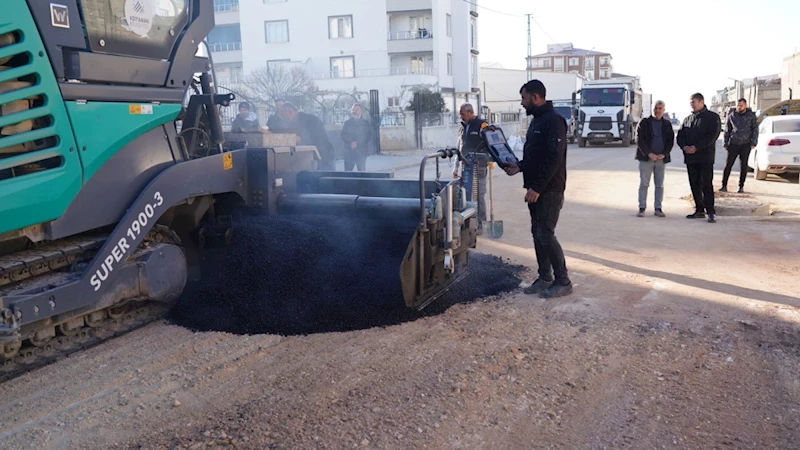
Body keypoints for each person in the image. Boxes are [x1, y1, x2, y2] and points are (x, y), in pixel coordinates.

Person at [502, 80, 572, 299]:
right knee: (537, 233)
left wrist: (538, 188)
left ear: (535, 97)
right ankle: (545, 278)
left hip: (549, 190)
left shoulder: (554, 121)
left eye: (524, 98)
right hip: (536, 188)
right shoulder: (537, 121)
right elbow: (536, 156)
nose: (522, 103)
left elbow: (553, 158)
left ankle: (563, 281)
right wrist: (519, 166)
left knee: (545, 234)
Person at [677, 93, 722, 223]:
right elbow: (680, 136)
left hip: (705, 157)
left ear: (701, 101)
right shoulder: (688, 119)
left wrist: (696, 147)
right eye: (691, 102)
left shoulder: (712, 118)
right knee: (694, 184)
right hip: (691, 158)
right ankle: (699, 210)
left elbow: (712, 136)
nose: (692, 104)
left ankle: (711, 212)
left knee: (706, 184)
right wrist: (685, 147)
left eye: (694, 102)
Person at [635, 100, 674, 217]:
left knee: (659, 185)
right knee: (644, 184)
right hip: (646, 159)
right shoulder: (645, 122)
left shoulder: (667, 124)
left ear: (664, 110)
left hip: (661, 159)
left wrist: (664, 154)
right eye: (656, 108)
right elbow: (639, 139)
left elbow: (670, 141)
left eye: (660, 108)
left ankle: (658, 208)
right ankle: (642, 208)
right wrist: (649, 153)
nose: (657, 110)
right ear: (653, 109)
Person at [457, 103, 489, 234]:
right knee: (466, 195)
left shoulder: (482, 126)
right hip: (467, 165)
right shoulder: (464, 127)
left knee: (479, 195)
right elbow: (460, 146)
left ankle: (481, 224)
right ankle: (469, 222)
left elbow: (490, 143)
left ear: (470, 112)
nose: (461, 116)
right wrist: (457, 166)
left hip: (479, 166)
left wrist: (487, 158)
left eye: (463, 114)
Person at [276, 102, 335, 170]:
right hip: (306, 160)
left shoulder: (311, 119)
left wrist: (301, 139)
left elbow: (318, 138)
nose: (282, 118)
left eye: (283, 115)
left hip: (324, 156)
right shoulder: (291, 124)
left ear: (290, 112)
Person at [722, 98, 758, 193]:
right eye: (738, 105)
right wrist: (725, 142)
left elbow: (755, 129)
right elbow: (727, 130)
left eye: (741, 105)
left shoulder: (751, 116)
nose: (739, 107)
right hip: (733, 144)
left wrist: (753, 142)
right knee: (728, 165)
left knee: (743, 166)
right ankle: (724, 185)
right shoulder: (732, 115)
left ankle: (741, 186)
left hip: (745, 144)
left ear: (745, 105)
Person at [340, 104, 372, 172]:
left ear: (361, 111)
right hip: (349, 151)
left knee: (361, 171)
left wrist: (358, 143)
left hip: (361, 151)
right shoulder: (347, 123)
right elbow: (343, 135)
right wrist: (351, 142)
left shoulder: (365, 123)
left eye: (356, 110)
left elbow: (367, 136)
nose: (354, 112)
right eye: (353, 110)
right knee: (347, 172)